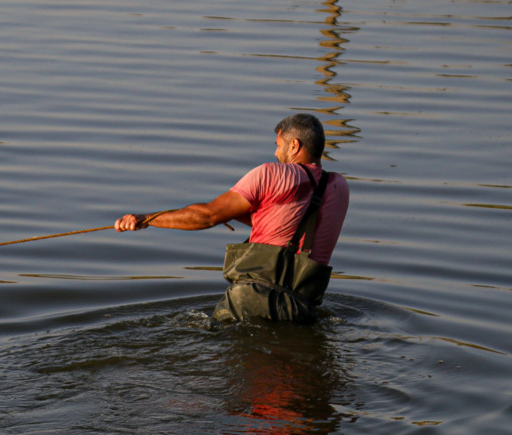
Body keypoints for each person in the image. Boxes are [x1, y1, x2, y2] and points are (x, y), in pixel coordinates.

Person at [115, 113, 350, 323]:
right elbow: (291, 227)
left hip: (251, 299)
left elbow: (207, 216)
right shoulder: (338, 187)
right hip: (302, 306)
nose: (276, 153)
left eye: (278, 145)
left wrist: (145, 219)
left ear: (294, 145)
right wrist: (236, 214)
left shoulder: (271, 173)